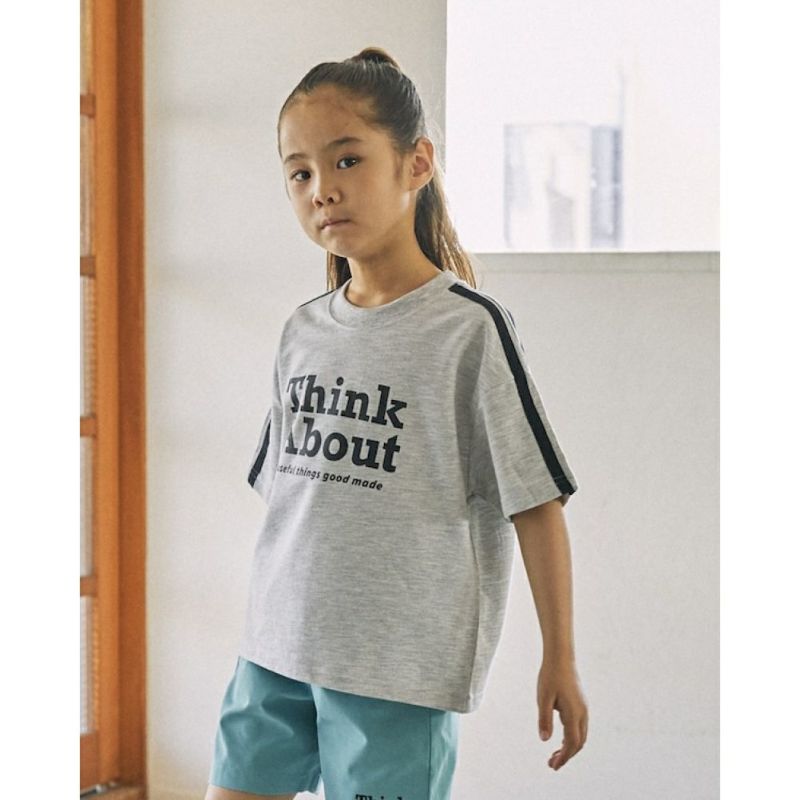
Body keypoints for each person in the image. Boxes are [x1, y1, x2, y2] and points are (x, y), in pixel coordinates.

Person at [205, 46, 588, 800]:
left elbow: (536, 502)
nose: (322, 189)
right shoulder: (302, 331)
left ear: (417, 164)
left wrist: (560, 657)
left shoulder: (467, 330)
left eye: (347, 160)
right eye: (300, 173)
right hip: (274, 651)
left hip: (394, 672)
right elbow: (291, 497)